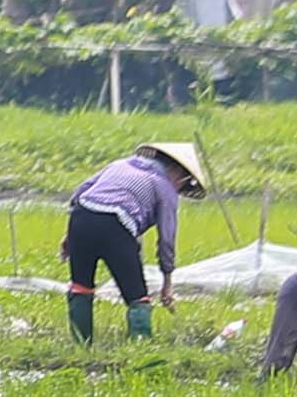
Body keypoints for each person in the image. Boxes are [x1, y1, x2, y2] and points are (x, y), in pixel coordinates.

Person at [61, 139, 209, 343]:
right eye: (184, 184)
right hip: (115, 226)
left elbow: (82, 192)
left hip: (80, 218)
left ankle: (81, 345)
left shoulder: (119, 165)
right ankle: (140, 349)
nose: (180, 188)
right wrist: (167, 281)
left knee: (81, 287)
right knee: (137, 297)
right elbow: (167, 237)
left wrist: (71, 236)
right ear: (178, 172)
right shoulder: (164, 186)